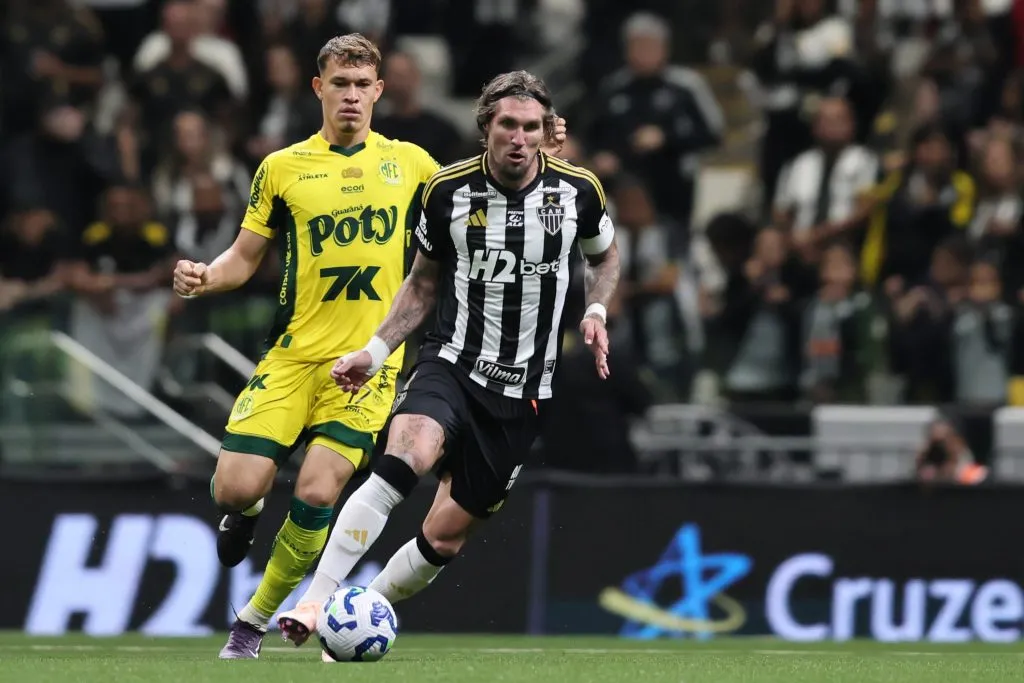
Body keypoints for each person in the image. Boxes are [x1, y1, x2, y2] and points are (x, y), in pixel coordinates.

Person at [171, 35, 566, 660]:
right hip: (293, 355)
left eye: (362, 85)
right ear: (318, 88)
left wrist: (541, 143)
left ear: (379, 91)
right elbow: (245, 256)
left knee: (320, 492)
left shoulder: (411, 164)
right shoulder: (281, 168)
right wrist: (206, 276)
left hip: (368, 365)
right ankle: (242, 514)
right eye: (340, 84)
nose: (351, 96)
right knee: (236, 487)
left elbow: (483, 184)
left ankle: (252, 625)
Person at [273, 69, 620, 656]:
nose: (519, 137)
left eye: (531, 126)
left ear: (545, 132)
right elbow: (421, 287)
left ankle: (352, 618)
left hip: (525, 391)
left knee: (445, 537)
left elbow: (605, 259)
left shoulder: (579, 192)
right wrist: (376, 350)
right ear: (486, 126)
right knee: (406, 454)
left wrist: (597, 310)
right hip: (452, 362)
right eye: (507, 124)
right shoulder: (446, 192)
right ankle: (316, 597)